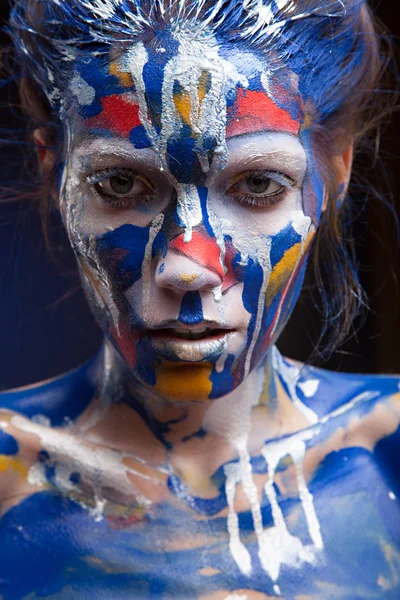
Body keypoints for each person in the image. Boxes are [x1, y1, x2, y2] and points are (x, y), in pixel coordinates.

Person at [0, 0, 399, 598]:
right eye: (119, 184)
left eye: (258, 185)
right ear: (55, 174)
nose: (188, 268)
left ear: (335, 174)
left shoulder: (387, 453)